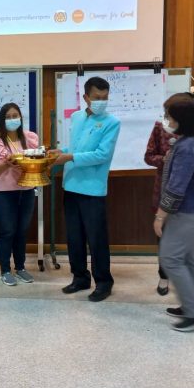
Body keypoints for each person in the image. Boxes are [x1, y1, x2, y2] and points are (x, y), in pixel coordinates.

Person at [50, 77, 121, 302]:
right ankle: (80, 277)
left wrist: (69, 156)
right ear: (86, 97)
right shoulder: (77, 117)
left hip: (92, 190)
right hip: (71, 185)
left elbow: (102, 155)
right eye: (97, 97)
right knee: (74, 237)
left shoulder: (112, 122)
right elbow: (76, 147)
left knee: (96, 239)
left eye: (105, 97)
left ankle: (104, 282)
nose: (101, 102)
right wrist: (61, 152)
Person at [154, 97, 194, 332]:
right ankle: (191, 305)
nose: (167, 121)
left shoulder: (188, 147)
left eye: (169, 117)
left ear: (181, 119)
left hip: (188, 212)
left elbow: (176, 187)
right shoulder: (191, 140)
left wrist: (160, 216)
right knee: (187, 258)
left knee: (170, 258)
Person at [0, 103, 40, 286]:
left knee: (21, 230)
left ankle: (20, 267)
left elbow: (36, 161)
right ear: (2, 120)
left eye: (15, 116)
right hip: (3, 192)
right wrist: (7, 164)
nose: (12, 120)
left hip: (26, 190)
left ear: (20, 117)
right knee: (7, 230)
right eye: (8, 117)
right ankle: (5, 270)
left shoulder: (30, 137)